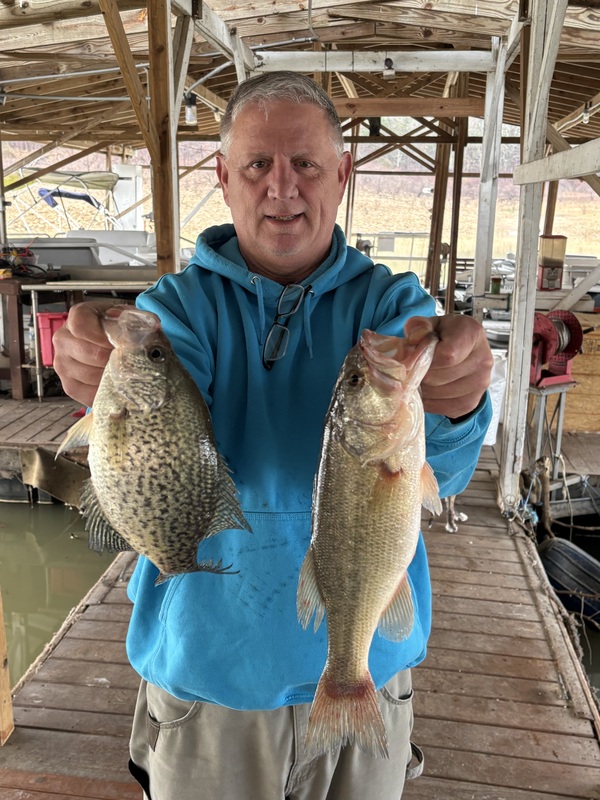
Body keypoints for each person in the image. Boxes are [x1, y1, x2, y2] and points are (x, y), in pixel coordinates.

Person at [53, 71, 493, 800]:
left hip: (367, 670)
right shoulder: (176, 309)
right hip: (210, 677)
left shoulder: (391, 307)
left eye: (306, 165)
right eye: (258, 165)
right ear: (223, 176)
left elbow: (437, 472)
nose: (282, 188)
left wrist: (455, 402)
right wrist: (106, 358)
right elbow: (163, 389)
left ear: (344, 174)